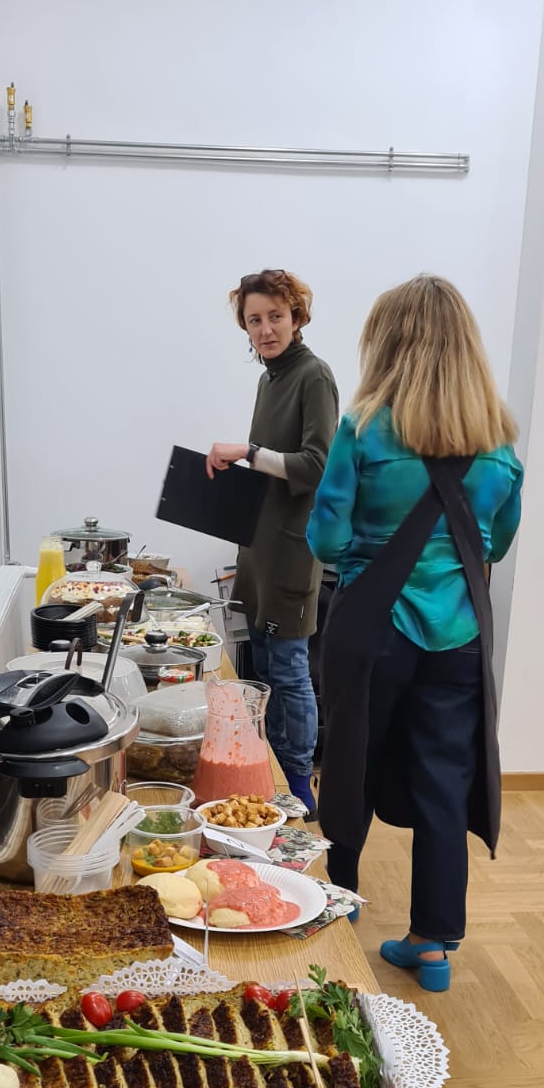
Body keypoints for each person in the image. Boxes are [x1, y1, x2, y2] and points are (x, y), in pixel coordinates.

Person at [308, 275, 522, 992]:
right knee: (444, 783)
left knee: (352, 767)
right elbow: (496, 543)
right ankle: (432, 945)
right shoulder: (500, 443)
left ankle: (336, 910)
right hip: (458, 634)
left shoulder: (363, 429)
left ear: (389, 341)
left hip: (375, 628)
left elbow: (325, 538)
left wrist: (366, 555)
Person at [207, 269, 338, 818]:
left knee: (289, 671)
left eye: (275, 317)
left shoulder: (314, 376)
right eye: (254, 320)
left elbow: (318, 466)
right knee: (261, 669)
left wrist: (248, 452)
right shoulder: (269, 379)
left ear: (296, 316)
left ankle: (300, 787)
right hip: (258, 547)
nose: (265, 329)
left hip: (291, 550)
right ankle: (270, 777)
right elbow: (271, 467)